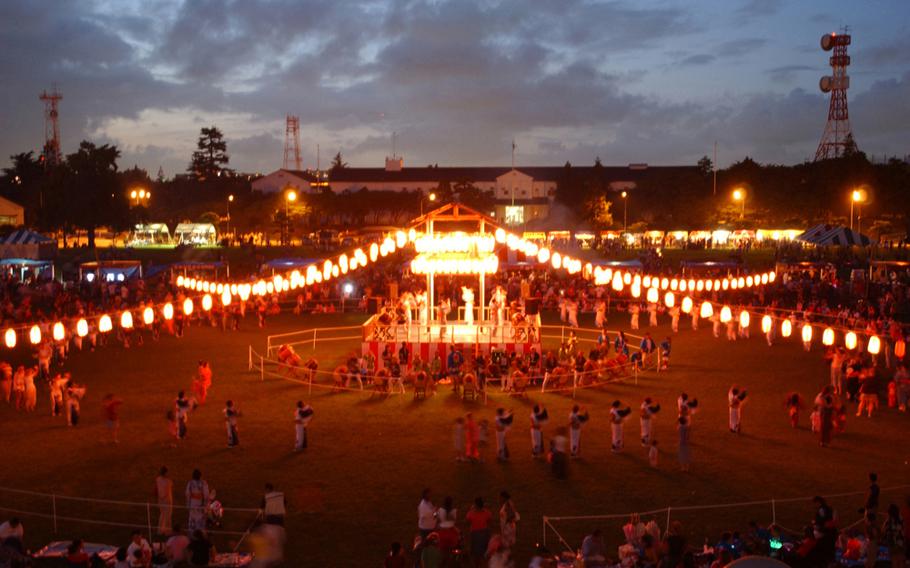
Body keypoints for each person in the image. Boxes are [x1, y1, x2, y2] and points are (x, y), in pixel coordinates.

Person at [465, 497, 492, 567]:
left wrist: (471, 509)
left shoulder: (471, 513)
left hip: (475, 535)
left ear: (475, 505)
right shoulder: (487, 512)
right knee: (484, 554)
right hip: (484, 534)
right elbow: (489, 521)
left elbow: (467, 521)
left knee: (475, 555)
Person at [881, 504, 905, 568]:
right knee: (901, 561)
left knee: (894, 561)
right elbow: (902, 529)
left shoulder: (889, 521)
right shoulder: (901, 518)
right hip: (900, 542)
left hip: (892, 543)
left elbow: (883, 530)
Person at [155, 466, 174, 535]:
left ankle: (160, 530)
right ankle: (167, 531)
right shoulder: (168, 481)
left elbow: (157, 489)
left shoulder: (158, 479)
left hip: (160, 500)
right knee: (168, 515)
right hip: (167, 500)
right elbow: (168, 489)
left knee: (162, 514)